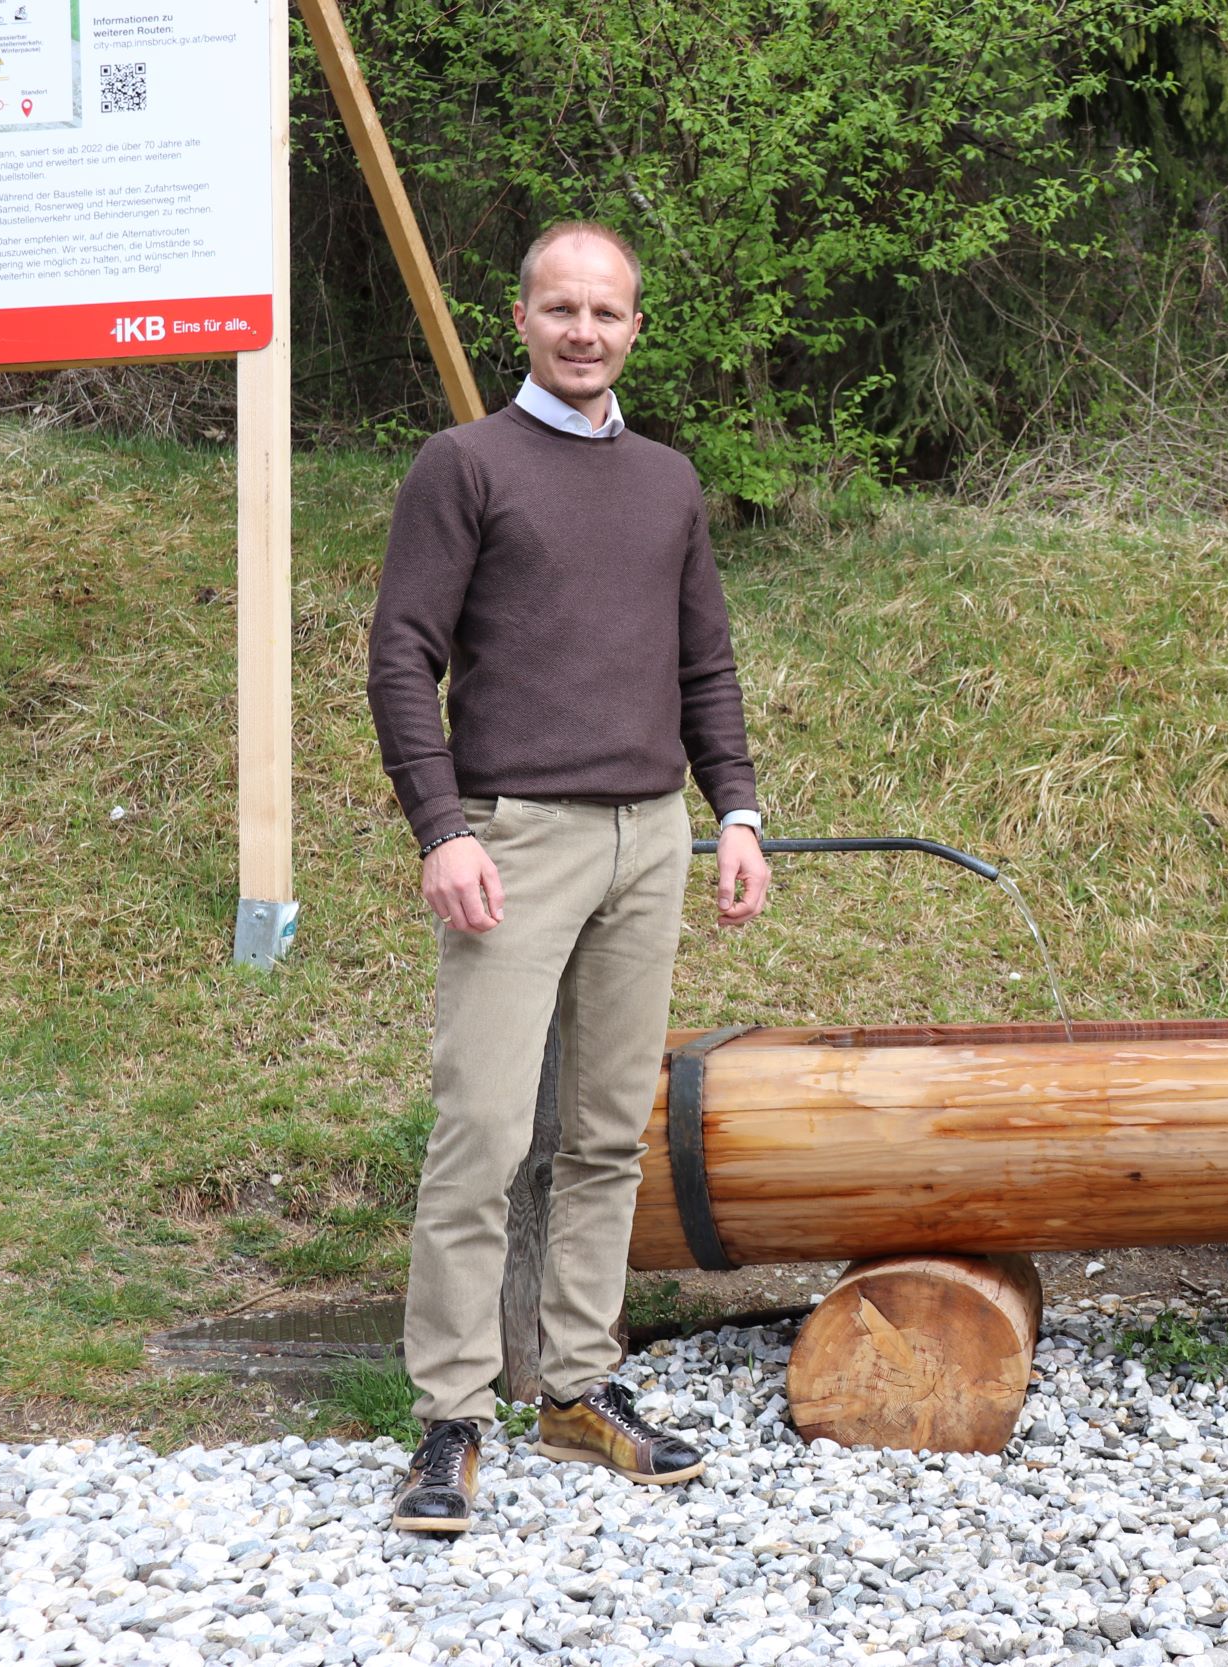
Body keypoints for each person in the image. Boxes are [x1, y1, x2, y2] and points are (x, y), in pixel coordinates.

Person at [366, 221, 772, 1533]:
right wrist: (443, 827)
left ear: (636, 326)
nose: (584, 330)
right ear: (523, 319)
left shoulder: (666, 481)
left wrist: (740, 812)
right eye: (561, 308)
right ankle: (450, 1417)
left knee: (604, 1134)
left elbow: (703, 661)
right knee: (483, 1134)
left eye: (607, 310)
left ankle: (579, 1385)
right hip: (516, 836)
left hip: (649, 835)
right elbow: (399, 656)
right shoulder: (465, 465)